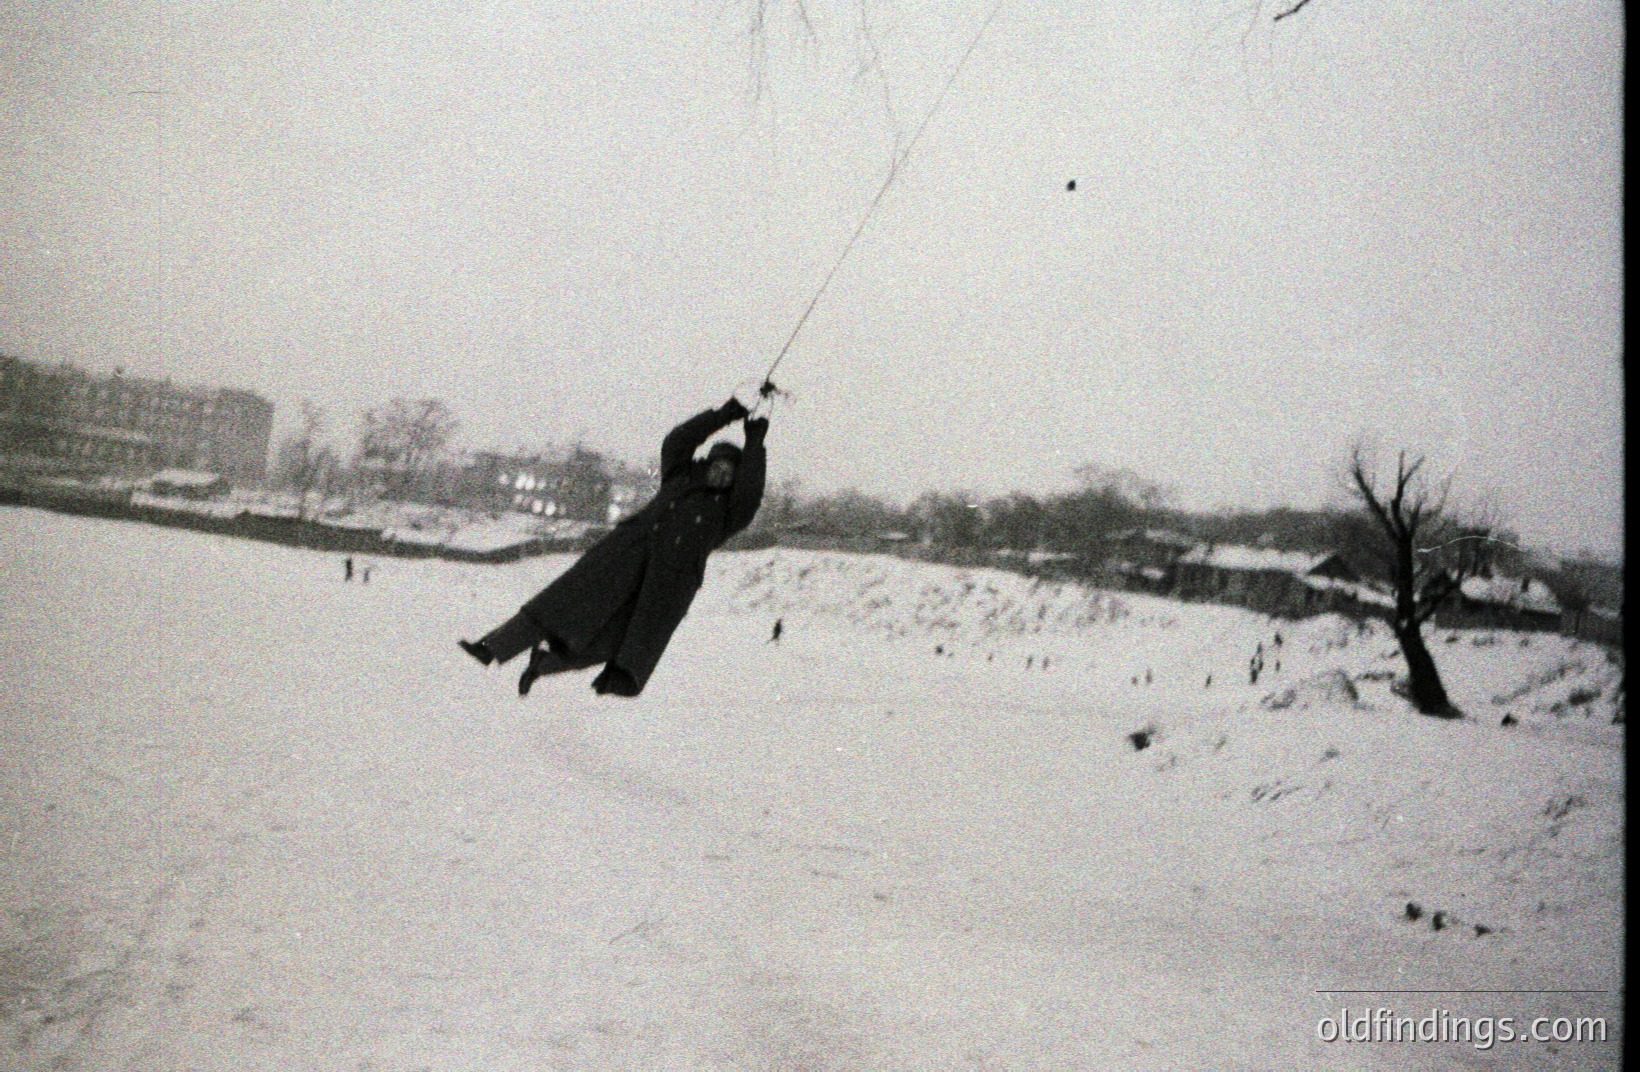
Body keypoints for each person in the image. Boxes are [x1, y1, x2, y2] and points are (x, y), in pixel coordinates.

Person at [459, 397, 767, 697]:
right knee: (561, 602)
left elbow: (750, 491)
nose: (722, 474)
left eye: (730, 473)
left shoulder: (729, 515)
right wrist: (723, 415)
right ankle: (492, 647)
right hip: (624, 554)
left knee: (616, 642)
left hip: (667, 585)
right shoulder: (680, 477)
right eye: (718, 466)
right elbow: (677, 441)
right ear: (707, 463)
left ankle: (544, 665)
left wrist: (754, 442)